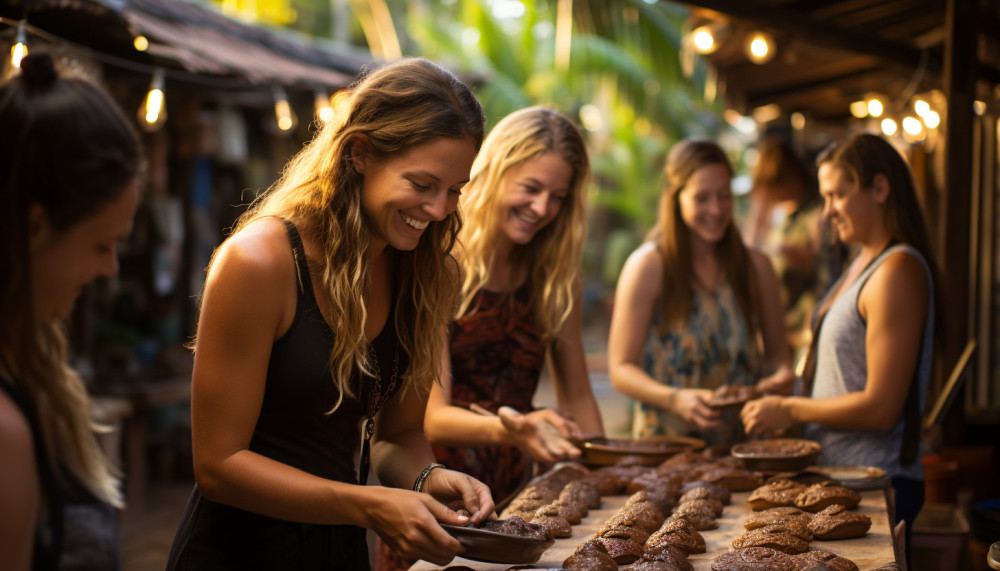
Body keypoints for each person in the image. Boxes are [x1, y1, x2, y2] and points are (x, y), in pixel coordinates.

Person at [165, 58, 494, 570]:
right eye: (423, 184)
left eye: (455, 190)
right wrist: (368, 505)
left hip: (337, 549)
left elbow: (397, 436)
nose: (439, 211)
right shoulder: (259, 263)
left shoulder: (430, 274)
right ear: (360, 153)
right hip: (237, 553)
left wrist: (428, 477)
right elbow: (218, 465)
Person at [741, 133, 940, 560]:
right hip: (840, 483)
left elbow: (881, 408)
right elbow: (840, 376)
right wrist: (781, 393)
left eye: (837, 195)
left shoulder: (897, 270)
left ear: (880, 189)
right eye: (825, 196)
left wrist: (790, 409)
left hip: (877, 485)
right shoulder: (861, 262)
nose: (827, 210)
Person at [0, 53, 142, 570]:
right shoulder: (5, 427)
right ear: (36, 227)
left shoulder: (34, 363)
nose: (110, 268)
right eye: (102, 244)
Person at [423, 106, 606, 502]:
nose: (542, 208)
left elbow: (576, 394)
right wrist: (515, 429)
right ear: (493, 173)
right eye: (531, 188)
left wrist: (603, 475)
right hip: (442, 488)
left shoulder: (556, 276)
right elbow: (432, 418)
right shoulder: (441, 264)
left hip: (524, 491)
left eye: (557, 197)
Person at [608, 138, 793, 446]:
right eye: (702, 198)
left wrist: (779, 379)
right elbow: (621, 368)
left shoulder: (756, 267)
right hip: (666, 451)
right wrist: (675, 399)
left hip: (743, 449)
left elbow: (778, 359)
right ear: (676, 197)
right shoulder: (648, 266)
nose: (716, 209)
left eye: (724, 196)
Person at [744, 136, 843, 353]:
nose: (771, 196)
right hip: (783, 329)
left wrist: (807, 261)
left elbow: (830, 279)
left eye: (775, 186)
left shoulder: (819, 216)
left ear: (790, 179)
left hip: (805, 332)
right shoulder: (785, 214)